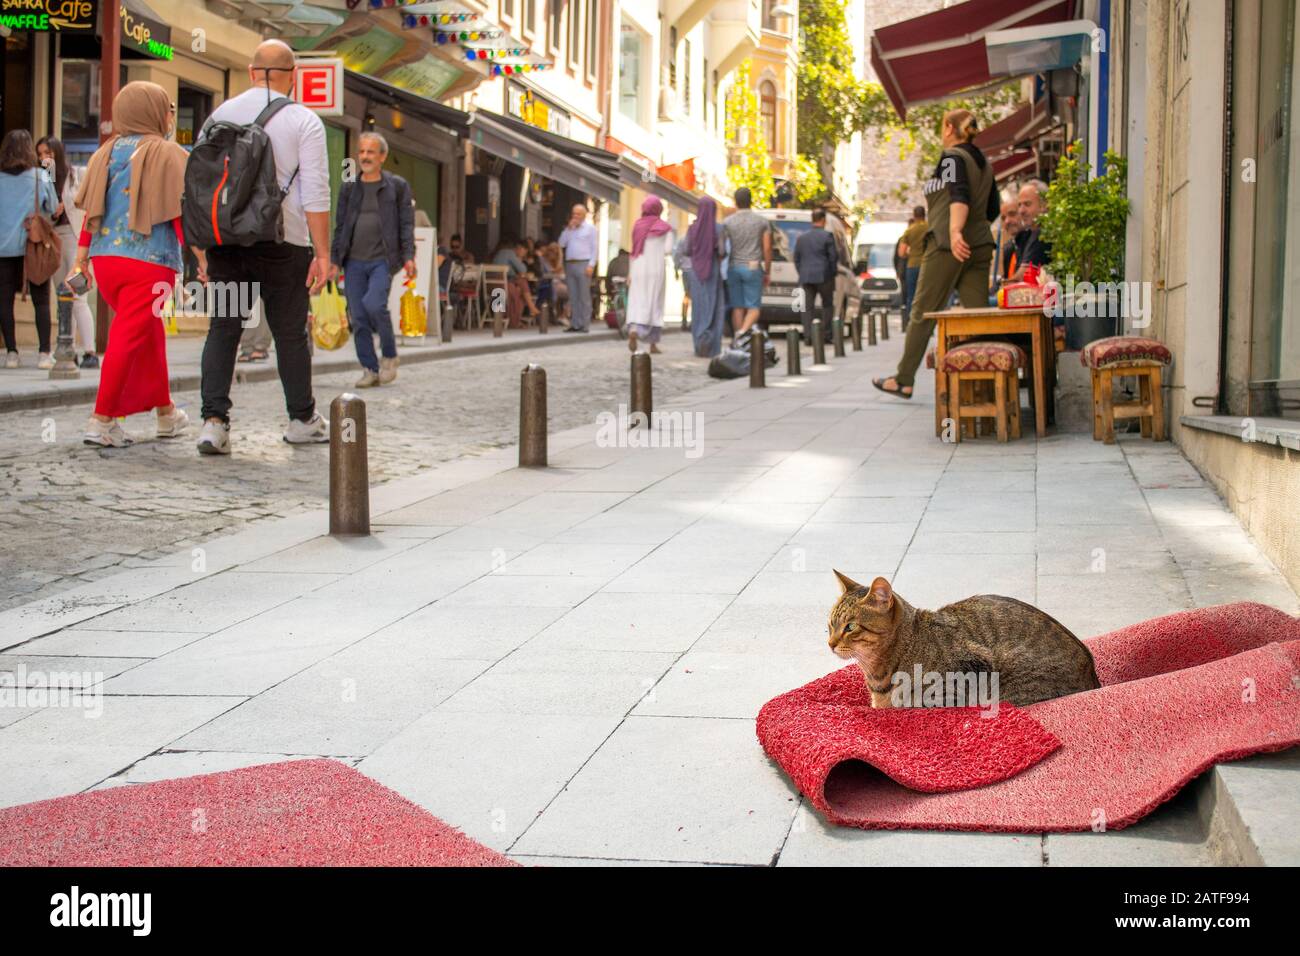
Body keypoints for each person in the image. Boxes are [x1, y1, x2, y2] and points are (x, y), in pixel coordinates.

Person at [194, 39, 333, 455]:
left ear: (252, 71)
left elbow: (201, 184)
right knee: (289, 333)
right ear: (293, 76)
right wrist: (322, 254)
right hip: (282, 244)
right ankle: (301, 419)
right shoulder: (304, 121)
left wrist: (202, 249)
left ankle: (214, 423)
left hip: (228, 243)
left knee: (225, 328)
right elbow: (316, 193)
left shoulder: (218, 115)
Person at [71, 82, 191, 446]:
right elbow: (180, 213)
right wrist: (200, 258)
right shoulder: (169, 153)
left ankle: (166, 413)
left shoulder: (103, 153)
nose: (171, 115)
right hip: (150, 263)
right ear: (154, 112)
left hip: (106, 261)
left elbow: (92, 210)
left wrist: (81, 258)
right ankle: (102, 419)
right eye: (168, 108)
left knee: (147, 334)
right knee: (126, 339)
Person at [872, 108, 998, 399]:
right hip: (979, 246)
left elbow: (958, 194)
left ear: (950, 128)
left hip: (947, 245)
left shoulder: (952, 158)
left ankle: (903, 379)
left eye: (943, 127)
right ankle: (987, 386)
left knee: (923, 312)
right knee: (977, 316)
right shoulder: (984, 163)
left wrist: (955, 233)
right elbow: (992, 209)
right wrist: (973, 232)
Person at [330, 130, 415, 388]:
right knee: (358, 315)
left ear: (383, 156)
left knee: (374, 304)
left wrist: (409, 256)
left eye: (371, 152)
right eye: (362, 152)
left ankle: (389, 355)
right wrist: (334, 259)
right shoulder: (349, 187)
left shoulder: (397, 186)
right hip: (353, 261)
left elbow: (406, 223)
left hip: (383, 259)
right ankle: (370, 368)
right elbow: (341, 224)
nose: (365, 157)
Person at [36, 137, 97, 368]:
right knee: (63, 297)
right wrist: (52, 213)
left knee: (78, 295)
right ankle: (67, 348)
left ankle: (90, 351)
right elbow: (41, 212)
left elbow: (88, 204)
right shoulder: (44, 179)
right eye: (40, 154)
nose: (43, 158)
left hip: (76, 239)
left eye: (47, 153)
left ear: (58, 153)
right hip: (53, 240)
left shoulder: (76, 175)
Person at [0, 129, 58, 369]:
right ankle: (44, 353)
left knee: (4, 301)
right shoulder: (40, 176)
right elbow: (53, 207)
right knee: (41, 300)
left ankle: (12, 352)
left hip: (2, 249)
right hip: (32, 247)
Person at [719, 186, 771, 342]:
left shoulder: (727, 222)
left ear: (736, 202)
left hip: (733, 267)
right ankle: (742, 333)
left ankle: (738, 338)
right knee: (754, 307)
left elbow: (722, 247)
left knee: (737, 306)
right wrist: (767, 270)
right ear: (751, 201)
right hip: (753, 267)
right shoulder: (762, 222)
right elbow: (767, 247)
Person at [678, 196, 725, 358]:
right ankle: (712, 348)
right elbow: (722, 251)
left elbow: (686, 250)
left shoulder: (692, 229)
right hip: (713, 271)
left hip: (696, 273)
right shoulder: (719, 229)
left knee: (698, 309)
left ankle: (699, 345)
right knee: (714, 308)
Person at [625, 196, 673, 354]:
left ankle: (634, 329)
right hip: (655, 268)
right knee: (655, 302)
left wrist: (629, 273)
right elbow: (667, 250)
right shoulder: (665, 227)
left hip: (638, 268)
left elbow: (633, 250)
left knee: (638, 300)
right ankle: (652, 343)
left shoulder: (637, 226)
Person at [792, 208, 840, 344]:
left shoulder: (802, 238)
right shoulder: (827, 236)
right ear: (823, 220)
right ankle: (826, 334)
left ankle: (808, 336)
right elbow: (833, 257)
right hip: (825, 276)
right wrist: (832, 273)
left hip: (806, 277)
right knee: (827, 305)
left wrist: (802, 272)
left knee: (807, 307)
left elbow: (796, 258)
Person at [558, 203, 597, 333]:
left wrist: (591, 265)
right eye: (574, 214)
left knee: (584, 296)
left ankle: (585, 325)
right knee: (573, 295)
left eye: (578, 214)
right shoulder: (570, 229)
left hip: (584, 263)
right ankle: (575, 323)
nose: (575, 216)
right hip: (570, 264)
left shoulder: (590, 229)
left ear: (584, 215)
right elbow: (561, 243)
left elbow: (594, 248)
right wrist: (568, 229)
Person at [491, 235, 539, 327]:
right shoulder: (510, 253)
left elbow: (510, 272)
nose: (524, 254)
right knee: (520, 287)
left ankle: (513, 320)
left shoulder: (500, 253)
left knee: (518, 289)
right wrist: (522, 261)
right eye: (524, 252)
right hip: (501, 285)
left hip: (491, 286)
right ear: (520, 248)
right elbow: (523, 269)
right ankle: (517, 319)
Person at [1011, 179, 1050, 279]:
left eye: (1027, 204)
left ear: (1044, 205)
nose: (1021, 211)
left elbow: (1021, 278)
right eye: (1019, 205)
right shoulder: (1027, 235)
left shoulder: (1043, 232)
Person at [897, 205, 927, 331]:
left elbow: (901, 252)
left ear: (914, 216)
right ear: (924, 215)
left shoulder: (909, 230)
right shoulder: (929, 227)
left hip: (912, 266)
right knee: (925, 295)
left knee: (911, 296)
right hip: (926, 265)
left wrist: (911, 253)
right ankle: (925, 324)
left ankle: (912, 324)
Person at [996, 196, 1023, 286]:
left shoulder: (1032, 242)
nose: (1007, 221)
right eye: (1003, 218)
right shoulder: (1008, 248)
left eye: (1012, 214)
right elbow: (1006, 279)